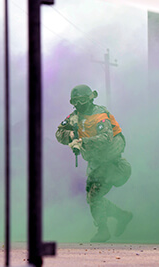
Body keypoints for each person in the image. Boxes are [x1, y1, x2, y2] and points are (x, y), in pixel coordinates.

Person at [55, 84, 132, 242]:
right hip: (96, 163)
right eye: (74, 101)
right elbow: (59, 133)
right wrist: (71, 135)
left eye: (82, 101)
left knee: (94, 195)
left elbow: (105, 138)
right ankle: (120, 216)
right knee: (93, 196)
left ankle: (104, 229)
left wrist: (82, 142)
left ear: (90, 99)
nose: (78, 105)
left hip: (112, 163)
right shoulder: (75, 118)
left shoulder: (100, 115)